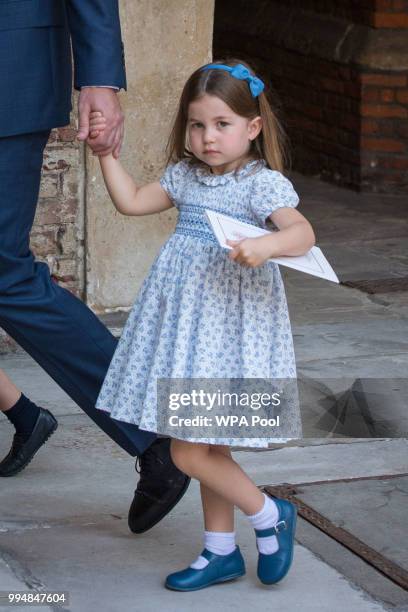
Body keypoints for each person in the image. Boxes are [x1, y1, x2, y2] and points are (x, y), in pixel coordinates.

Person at [90, 58, 315, 590]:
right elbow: (132, 202)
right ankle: (220, 552)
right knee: (210, 446)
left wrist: (265, 244)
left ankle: (268, 516)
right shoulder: (186, 177)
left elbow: (302, 234)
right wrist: (106, 156)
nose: (208, 137)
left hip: (230, 333)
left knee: (187, 449)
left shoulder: (261, 185)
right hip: (188, 331)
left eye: (222, 124)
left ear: (252, 128)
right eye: (197, 125)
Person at [0, 0, 190, 534]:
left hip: (9, 68)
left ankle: (154, 435)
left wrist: (100, 79)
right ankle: (24, 415)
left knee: (4, 275)